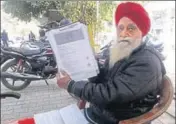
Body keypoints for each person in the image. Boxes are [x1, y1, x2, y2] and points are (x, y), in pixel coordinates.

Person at [57, 2, 166, 124]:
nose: (124, 33)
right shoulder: (124, 52)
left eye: (131, 28)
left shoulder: (146, 63)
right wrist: (90, 65)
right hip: (103, 113)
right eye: (121, 28)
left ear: (142, 31)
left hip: (115, 119)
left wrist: (71, 85)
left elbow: (109, 94)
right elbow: (105, 79)